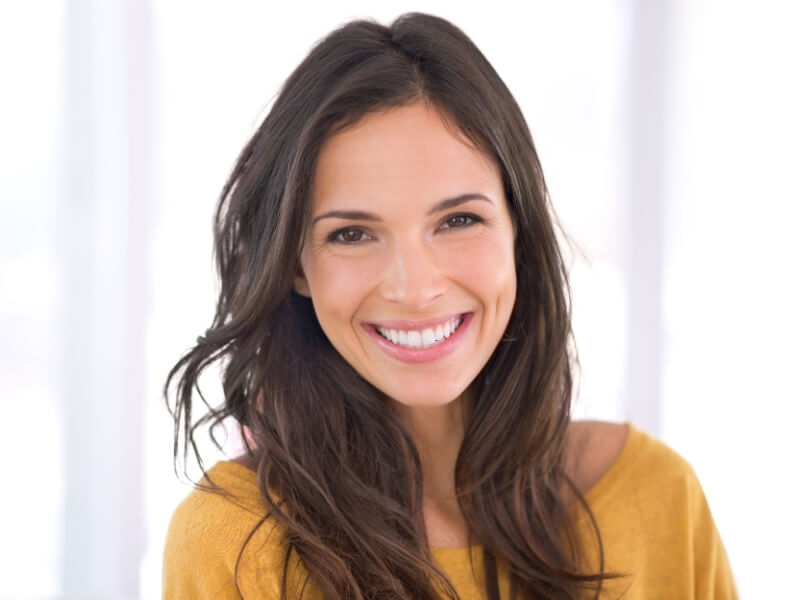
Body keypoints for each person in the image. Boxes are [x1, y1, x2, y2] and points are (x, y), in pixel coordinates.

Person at [163, 13, 737, 600]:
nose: (414, 290)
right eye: (352, 234)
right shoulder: (233, 544)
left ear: (518, 229)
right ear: (294, 266)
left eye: (459, 220)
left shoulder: (658, 498)